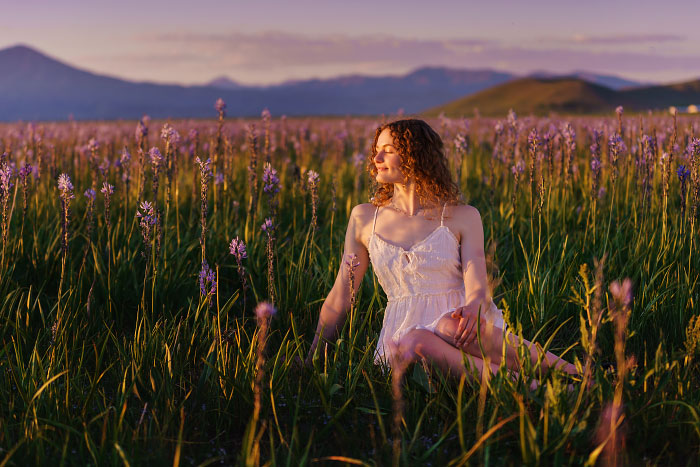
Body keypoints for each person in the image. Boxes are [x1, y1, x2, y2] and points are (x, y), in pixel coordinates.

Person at [305, 119, 578, 382]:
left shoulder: (463, 216)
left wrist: (473, 307)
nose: (376, 159)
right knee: (415, 340)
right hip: (405, 341)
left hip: (464, 329)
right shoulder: (364, 217)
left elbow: (478, 287)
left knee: (449, 325)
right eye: (376, 151)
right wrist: (312, 358)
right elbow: (341, 294)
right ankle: (533, 390)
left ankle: (577, 377)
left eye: (387, 152)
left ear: (416, 156)